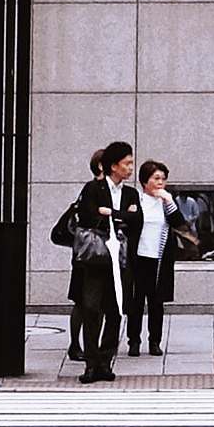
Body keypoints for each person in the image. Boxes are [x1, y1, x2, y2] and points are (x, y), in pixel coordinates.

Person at [56, 140, 136, 382]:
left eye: (131, 163)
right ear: (114, 166)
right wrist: (121, 216)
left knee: (115, 310)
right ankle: (91, 363)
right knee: (91, 309)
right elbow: (89, 216)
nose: (131, 168)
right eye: (127, 164)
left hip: (119, 259)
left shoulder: (131, 193)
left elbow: (136, 221)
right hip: (94, 259)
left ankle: (105, 361)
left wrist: (110, 213)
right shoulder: (93, 188)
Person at [126, 159, 180, 359]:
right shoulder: (136, 200)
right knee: (136, 301)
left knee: (157, 302)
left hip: (158, 259)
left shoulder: (165, 202)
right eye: (156, 178)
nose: (160, 182)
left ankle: (155, 341)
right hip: (138, 257)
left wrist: (168, 200)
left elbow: (179, 222)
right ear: (144, 181)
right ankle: (134, 340)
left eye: (163, 179)